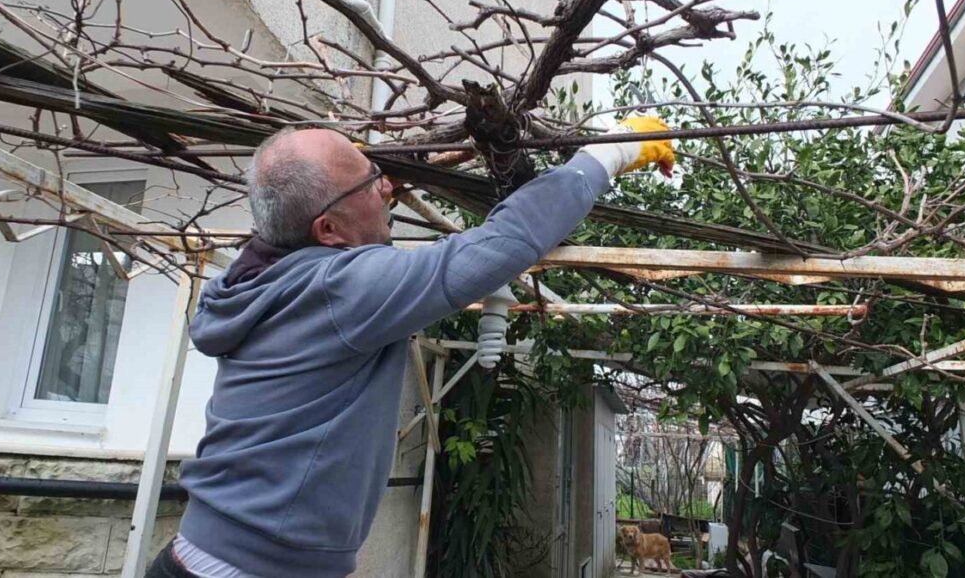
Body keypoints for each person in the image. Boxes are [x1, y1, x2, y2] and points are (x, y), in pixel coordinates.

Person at [145, 126, 674, 578]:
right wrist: (612, 150)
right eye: (371, 183)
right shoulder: (340, 288)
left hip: (200, 555)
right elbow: (502, 243)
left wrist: (358, 188)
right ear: (327, 230)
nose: (388, 187)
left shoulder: (257, 281)